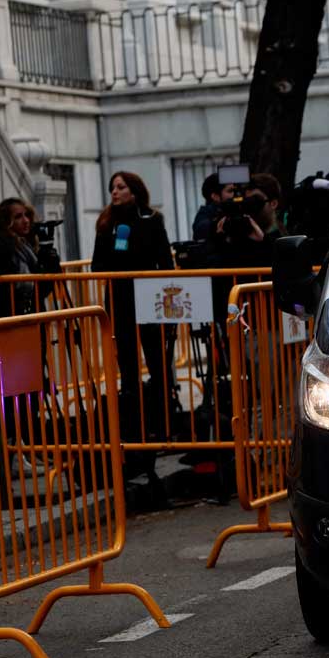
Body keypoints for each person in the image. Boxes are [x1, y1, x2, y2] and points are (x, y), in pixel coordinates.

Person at [91, 171, 175, 503]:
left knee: (157, 362)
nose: (115, 192)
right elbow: (99, 265)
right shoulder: (108, 223)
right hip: (121, 299)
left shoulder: (152, 219)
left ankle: (163, 423)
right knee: (127, 364)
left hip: (150, 297)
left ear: (135, 191)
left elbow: (164, 260)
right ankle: (133, 425)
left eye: (121, 187)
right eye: (112, 187)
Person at [0, 197, 59, 316]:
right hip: (14, 317)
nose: (26, 220)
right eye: (18, 217)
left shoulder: (27, 245)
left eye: (26, 215)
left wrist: (50, 258)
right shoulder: (0, 248)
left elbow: (43, 288)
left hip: (34, 314)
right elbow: (7, 291)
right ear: (6, 221)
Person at [192, 172, 238, 242]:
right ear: (215, 196)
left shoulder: (237, 209)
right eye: (230, 191)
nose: (234, 194)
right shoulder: (205, 213)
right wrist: (218, 224)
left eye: (234, 190)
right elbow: (201, 230)